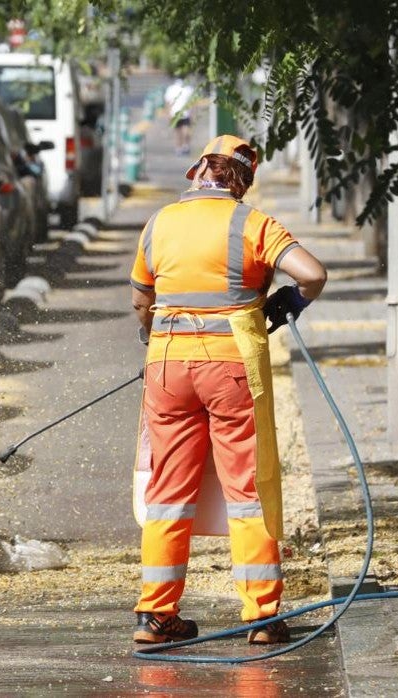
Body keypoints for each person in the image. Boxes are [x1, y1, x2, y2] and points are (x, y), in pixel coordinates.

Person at [128, 135, 327, 646]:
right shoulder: (252, 223)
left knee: (168, 493)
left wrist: (154, 338)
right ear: (243, 181)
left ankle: (155, 615)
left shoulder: (160, 222)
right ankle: (260, 616)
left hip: (167, 369)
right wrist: (287, 303)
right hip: (233, 369)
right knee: (247, 491)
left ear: (199, 171)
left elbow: (140, 300)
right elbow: (313, 274)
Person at [163, 78, 194, 156]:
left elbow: (192, 102)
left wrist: (192, 113)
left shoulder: (188, 89)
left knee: (185, 131)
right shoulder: (171, 89)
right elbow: (168, 102)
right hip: (175, 114)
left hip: (185, 113)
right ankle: (179, 148)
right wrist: (168, 113)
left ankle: (185, 146)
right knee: (178, 132)